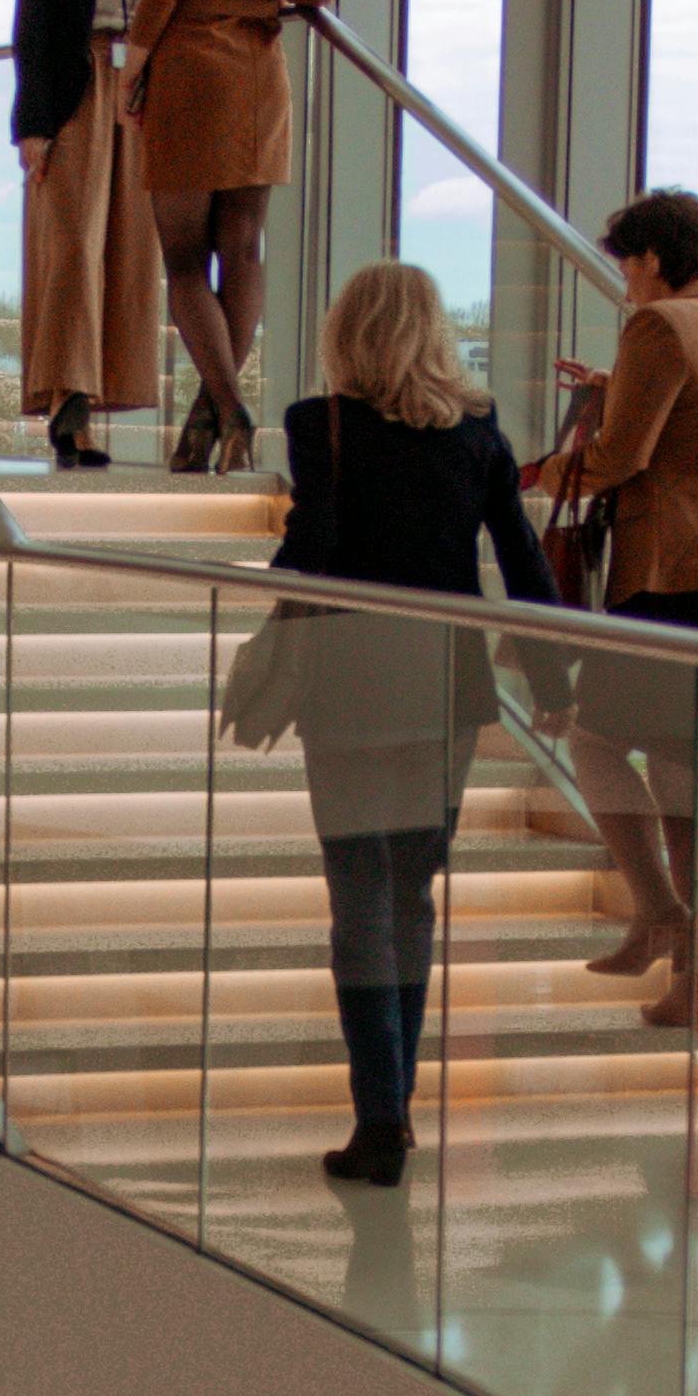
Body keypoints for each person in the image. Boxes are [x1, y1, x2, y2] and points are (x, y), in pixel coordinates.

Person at [269, 263, 565, 1188]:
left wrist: (265, 605)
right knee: (412, 893)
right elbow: (518, 555)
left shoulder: (319, 425)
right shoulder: (475, 431)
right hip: (446, 685)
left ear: (346, 332)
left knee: (357, 893)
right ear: (432, 330)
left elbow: (312, 546)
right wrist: (554, 674)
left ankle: (381, 1118)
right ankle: (393, 1109)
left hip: (351, 679)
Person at [537, 189, 698, 1032]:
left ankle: (659, 913)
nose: (622, 283)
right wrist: (618, 386)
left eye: (624, 263)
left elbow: (619, 457)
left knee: (592, 737)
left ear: (651, 257)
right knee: (685, 774)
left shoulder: (659, 327)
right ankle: (690, 976)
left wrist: (533, 474)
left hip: (678, 571)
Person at [121, 0, 347, 473]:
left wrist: (135, 61)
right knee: (243, 247)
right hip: (260, 74)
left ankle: (228, 407)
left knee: (185, 258)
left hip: (191, 65)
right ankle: (213, 416)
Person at [10, 0, 171, 467]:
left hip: (137, 97)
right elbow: (35, 17)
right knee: (73, 241)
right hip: (78, 87)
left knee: (128, 251)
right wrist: (33, 125)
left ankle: (92, 406)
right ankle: (66, 404)